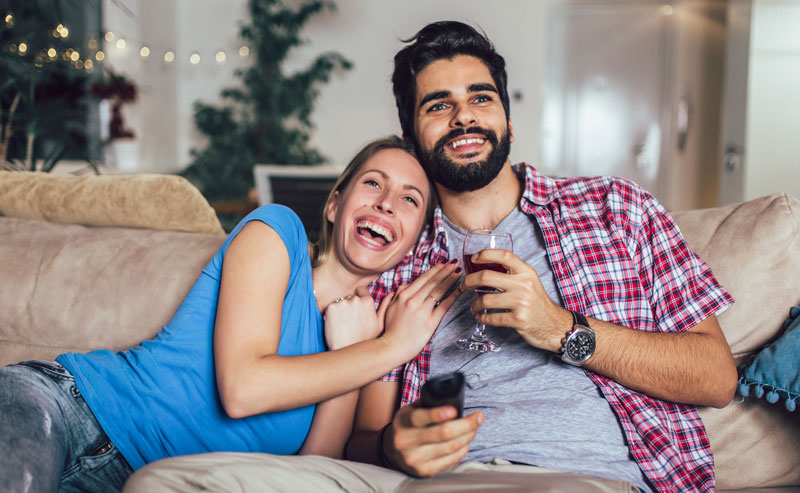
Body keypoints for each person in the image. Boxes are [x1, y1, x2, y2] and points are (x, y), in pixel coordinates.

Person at [123, 21, 737, 493]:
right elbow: (357, 441)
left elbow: (715, 376)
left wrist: (560, 329)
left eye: (481, 97)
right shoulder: (394, 260)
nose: (464, 114)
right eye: (438, 104)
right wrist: (394, 445)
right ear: (413, 134)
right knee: (166, 482)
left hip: (574, 476)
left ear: (507, 119)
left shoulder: (614, 209)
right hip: (421, 482)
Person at [0, 136, 463, 493]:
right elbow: (243, 389)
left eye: (409, 199)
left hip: (143, 482)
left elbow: (309, 471)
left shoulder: (362, 343)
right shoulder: (276, 233)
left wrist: (360, 349)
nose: (385, 201)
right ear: (335, 203)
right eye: (373, 183)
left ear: (413, 241)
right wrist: (390, 347)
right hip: (71, 411)